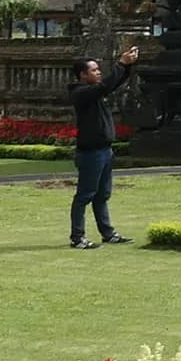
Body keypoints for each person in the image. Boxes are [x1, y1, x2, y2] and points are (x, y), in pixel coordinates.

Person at [67, 47, 141, 248]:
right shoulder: (81, 93)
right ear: (83, 75)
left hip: (105, 151)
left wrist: (127, 67)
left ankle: (108, 233)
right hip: (91, 153)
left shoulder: (95, 91)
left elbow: (111, 84)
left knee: (102, 195)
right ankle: (77, 237)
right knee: (85, 195)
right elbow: (104, 87)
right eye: (94, 70)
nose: (98, 72)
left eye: (99, 69)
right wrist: (121, 64)